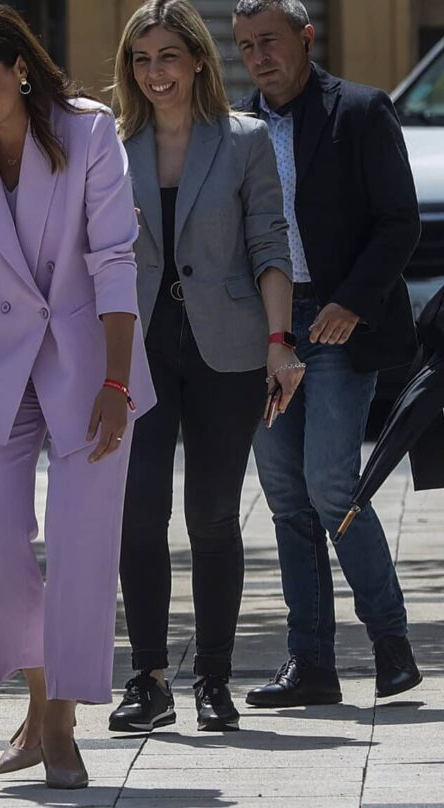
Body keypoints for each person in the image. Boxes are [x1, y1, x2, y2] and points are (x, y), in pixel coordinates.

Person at [0, 5, 153, 789]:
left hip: (90, 362)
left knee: (82, 544)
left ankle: (61, 720)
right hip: (0, 357)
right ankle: (38, 695)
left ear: (20, 68)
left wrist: (116, 382)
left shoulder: (88, 131)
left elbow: (117, 261)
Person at [107, 0, 301, 735]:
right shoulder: (109, 145)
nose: (154, 73)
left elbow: (270, 245)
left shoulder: (244, 141)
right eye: (141, 59)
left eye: (167, 57)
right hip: (136, 349)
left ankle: (213, 680)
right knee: (139, 514)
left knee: (213, 517)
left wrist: (280, 341)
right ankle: (148, 679)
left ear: (196, 60)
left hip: (228, 348)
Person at [233, 0, 423, 707]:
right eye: (246, 45)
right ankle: (310, 663)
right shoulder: (235, 128)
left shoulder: (362, 111)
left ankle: (390, 642)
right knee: (284, 497)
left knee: (330, 486)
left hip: (341, 322)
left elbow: (399, 221)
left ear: (306, 39)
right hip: (266, 330)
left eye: (270, 41)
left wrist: (351, 301)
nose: (258, 56)